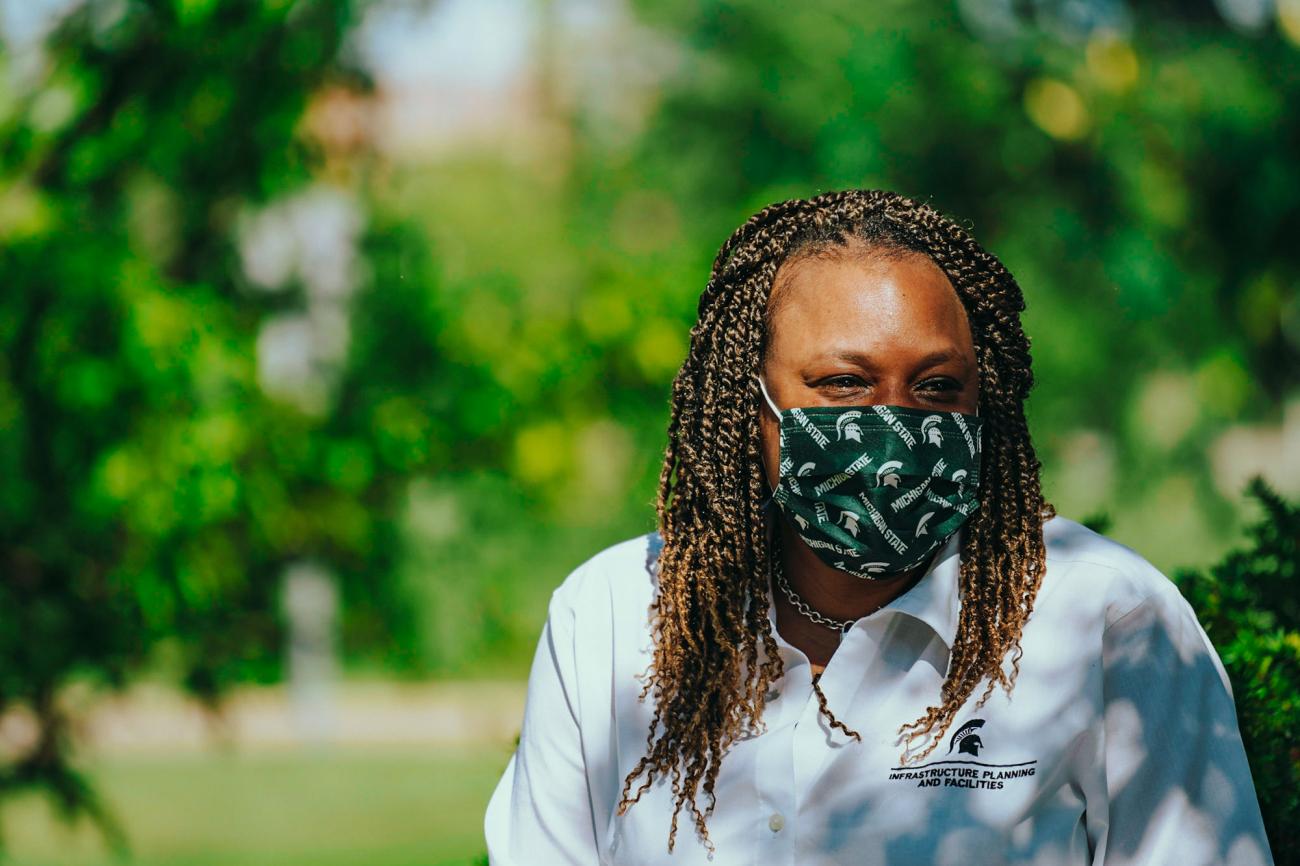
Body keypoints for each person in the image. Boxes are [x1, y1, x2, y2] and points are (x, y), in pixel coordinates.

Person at [483, 189, 1274, 865]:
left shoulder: (1107, 621)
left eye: (936, 387)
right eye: (843, 383)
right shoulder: (613, 618)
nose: (893, 424)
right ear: (743, 402)